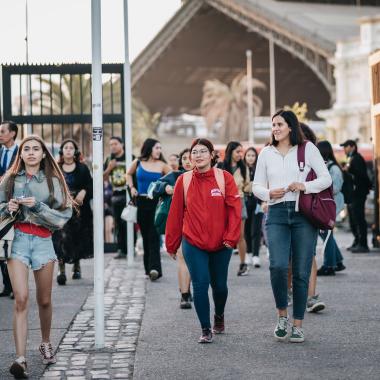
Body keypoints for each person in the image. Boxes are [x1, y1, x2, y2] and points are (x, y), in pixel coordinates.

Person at [253, 110, 331, 343]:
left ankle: (297, 324)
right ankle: (281, 316)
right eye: (273, 124)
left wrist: (304, 186)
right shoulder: (266, 152)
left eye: (279, 124)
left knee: (301, 270)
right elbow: (256, 185)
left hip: (303, 215)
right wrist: (268, 193)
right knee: (277, 266)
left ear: (290, 127)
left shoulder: (307, 149)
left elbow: (325, 178)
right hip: (276, 212)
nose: (275, 128)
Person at [0, 135, 72, 378]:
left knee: (44, 300)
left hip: (43, 241)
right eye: (26, 149)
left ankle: (45, 341)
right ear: (20, 154)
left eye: (36, 149)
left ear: (43, 154)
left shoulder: (53, 181)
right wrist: (6, 208)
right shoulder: (9, 180)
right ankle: (20, 359)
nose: (31, 152)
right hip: (17, 241)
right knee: (20, 298)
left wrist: (38, 207)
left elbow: (63, 217)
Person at [166, 138, 241, 343]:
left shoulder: (224, 178)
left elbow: (235, 210)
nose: (197, 155)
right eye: (194, 152)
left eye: (202, 151)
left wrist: (230, 238)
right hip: (193, 241)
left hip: (221, 243)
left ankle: (219, 316)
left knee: (219, 287)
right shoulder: (184, 180)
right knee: (200, 285)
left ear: (211, 155)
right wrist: (171, 243)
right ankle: (205, 329)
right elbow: (175, 214)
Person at [152, 148, 193, 308]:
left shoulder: (205, 176)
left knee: (194, 261)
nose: (188, 161)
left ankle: (190, 289)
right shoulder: (175, 176)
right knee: (183, 256)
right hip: (180, 224)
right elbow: (154, 187)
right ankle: (184, 294)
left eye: (190, 157)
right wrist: (164, 188)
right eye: (184, 158)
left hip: (200, 225)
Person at [126, 138, 171, 281]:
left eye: (160, 148)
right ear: (149, 148)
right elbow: (128, 174)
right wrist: (132, 187)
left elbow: (173, 178)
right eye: (157, 147)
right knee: (145, 236)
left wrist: (166, 190)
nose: (159, 150)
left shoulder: (163, 165)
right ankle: (148, 269)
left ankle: (155, 269)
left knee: (154, 235)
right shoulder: (138, 162)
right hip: (141, 202)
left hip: (156, 204)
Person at [53, 139, 93, 285]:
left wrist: (83, 192)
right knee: (61, 238)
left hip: (79, 210)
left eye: (71, 148)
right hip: (61, 209)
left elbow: (90, 185)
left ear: (75, 151)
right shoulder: (56, 168)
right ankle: (61, 269)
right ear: (62, 151)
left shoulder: (82, 168)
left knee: (77, 238)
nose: (68, 150)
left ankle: (76, 266)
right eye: (66, 147)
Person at [218, 141, 250, 276]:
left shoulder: (243, 167)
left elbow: (247, 186)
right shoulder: (220, 166)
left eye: (241, 152)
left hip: (239, 201)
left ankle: (243, 264)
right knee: (221, 235)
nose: (240, 154)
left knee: (240, 236)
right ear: (230, 151)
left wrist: (254, 187)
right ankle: (218, 264)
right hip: (222, 203)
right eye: (238, 151)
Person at [314, 140, 346, 276]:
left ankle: (329, 265)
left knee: (325, 233)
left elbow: (336, 187)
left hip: (331, 204)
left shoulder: (334, 168)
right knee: (327, 233)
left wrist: (318, 187)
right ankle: (337, 261)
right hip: (326, 203)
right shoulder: (327, 166)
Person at [340, 139, 371, 253]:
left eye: (346, 146)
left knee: (359, 219)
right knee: (353, 219)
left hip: (358, 194)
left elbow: (360, 176)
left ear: (352, 146)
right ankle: (357, 241)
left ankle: (363, 244)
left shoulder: (357, 158)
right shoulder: (351, 158)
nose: (344, 149)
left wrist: (348, 170)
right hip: (353, 195)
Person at [0, 121, 19, 299]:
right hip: (0, 202)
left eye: (3, 131)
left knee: (12, 242)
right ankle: (6, 286)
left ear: (12, 133)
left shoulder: (21, 152)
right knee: (0, 240)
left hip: (14, 202)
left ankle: (15, 286)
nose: (0, 134)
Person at [103, 137, 128, 259]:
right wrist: (109, 168)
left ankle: (130, 248)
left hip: (128, 195)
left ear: (122, 144)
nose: (113, 146)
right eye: (110, 144)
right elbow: (102, 177)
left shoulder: (130, 157)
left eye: (115, 144)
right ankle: (121, 249)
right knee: (118, 223)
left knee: (129, 222)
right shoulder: (109, 159)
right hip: (115, 196)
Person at [243, 147, 263, 268]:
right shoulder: (242, 170)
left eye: (253, 155)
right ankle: (248, 253)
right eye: (248, 155)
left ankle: (256, 255)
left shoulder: (260, 169)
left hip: (258, 202)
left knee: (256, 230)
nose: (250, 158)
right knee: (246, 230)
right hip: (245, 202)